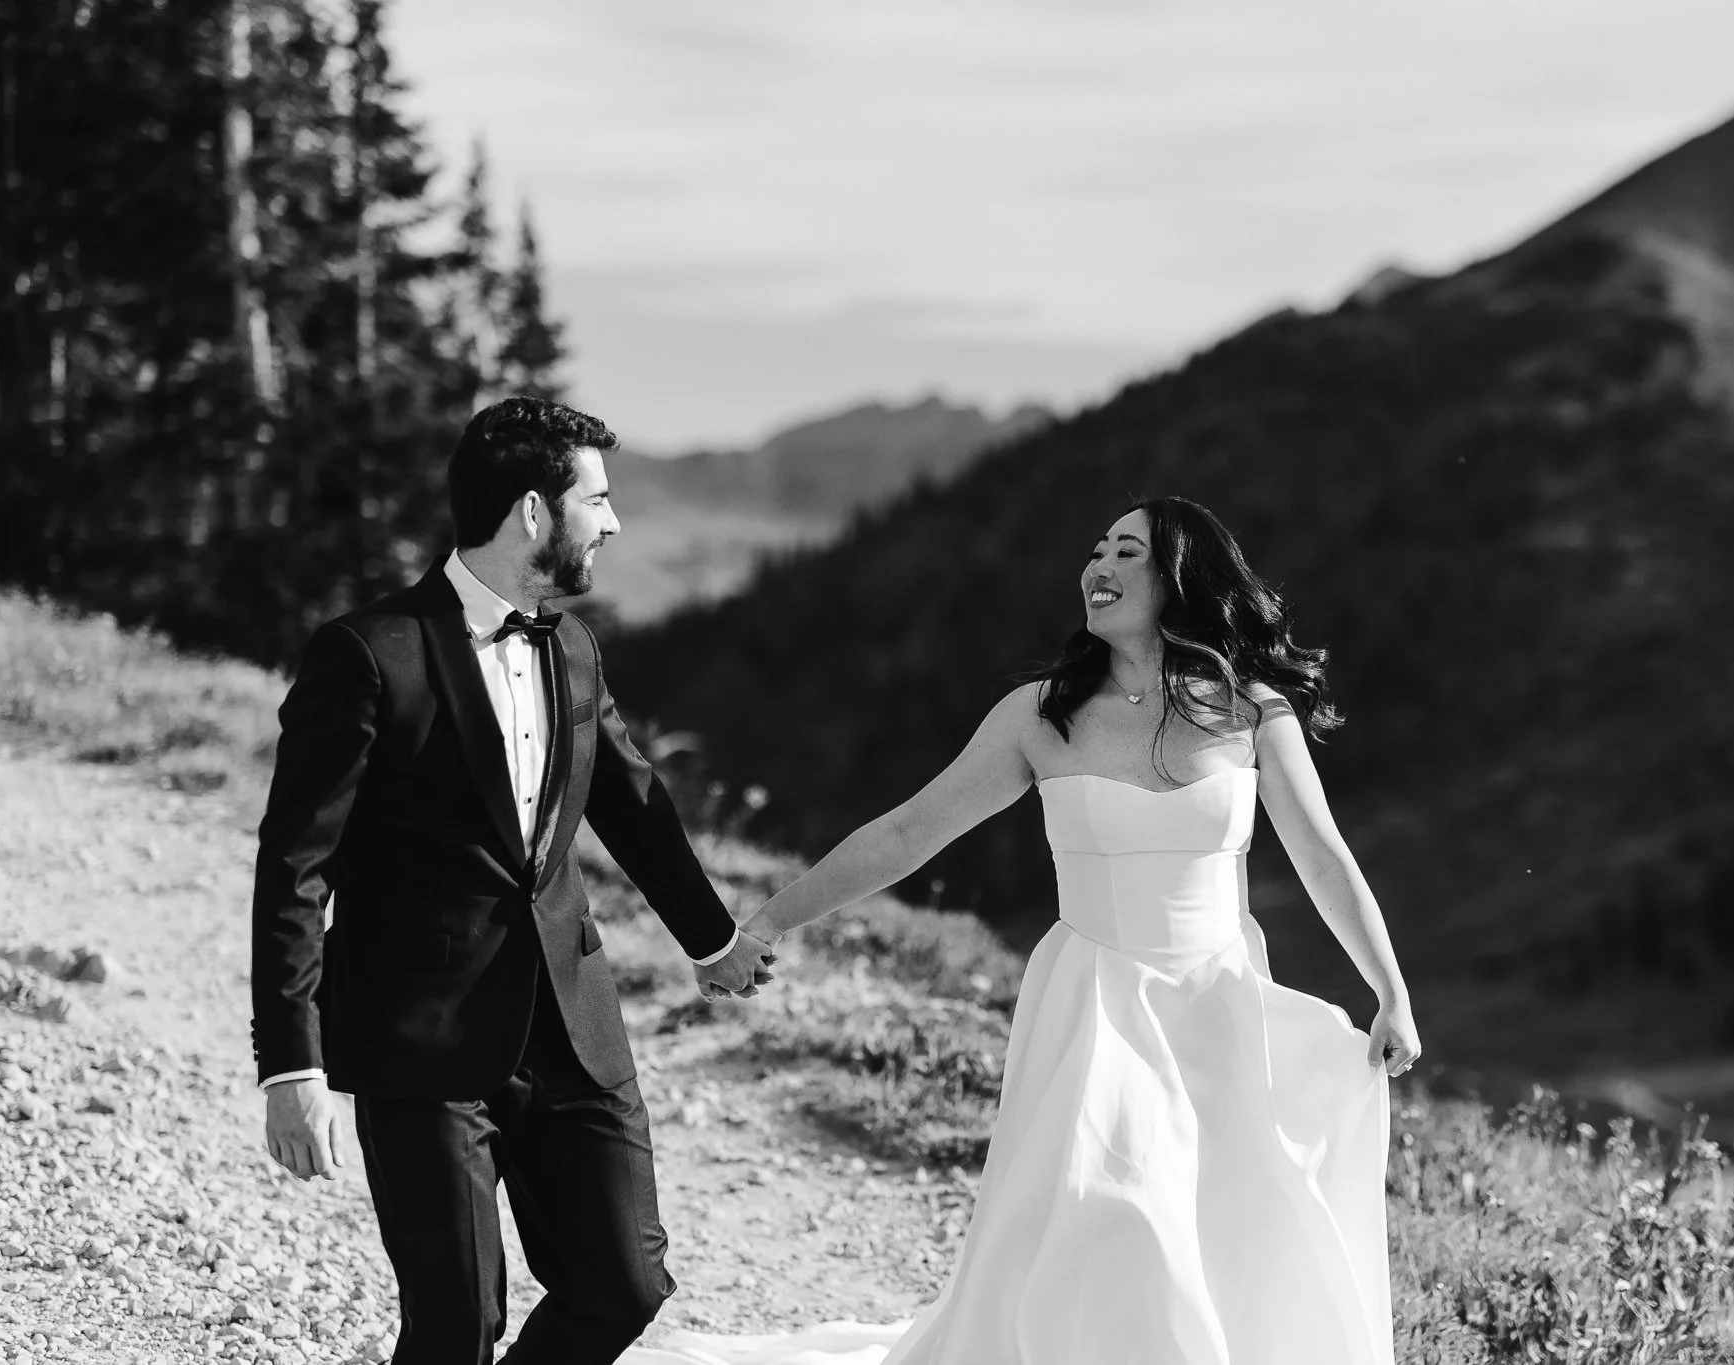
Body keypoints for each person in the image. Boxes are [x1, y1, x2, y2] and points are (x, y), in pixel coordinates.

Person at [635, 495, 1418, 1365]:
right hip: (1095, 1008)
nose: (1099, 566)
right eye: (1095, 550)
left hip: (1221, 1006)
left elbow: (1322, 855)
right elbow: (906, 833)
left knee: (1224, 1228)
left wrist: (1391, 990)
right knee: (1122, 1216)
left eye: (1128, 551)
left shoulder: (1251, 709)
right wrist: (771, 918)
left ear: (1179, 576)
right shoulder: (1038, 714)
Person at [249, 396, 778, 1364]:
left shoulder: (572, 646)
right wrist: (294, 1063)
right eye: (598, 500)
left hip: (575, 1031)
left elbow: (633, 806)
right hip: (423, 1048)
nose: (612, 523)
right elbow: (294, 868)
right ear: (534, 514)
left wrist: (714, 940)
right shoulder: (369, 654)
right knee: (457, 1330)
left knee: (624, 1284)